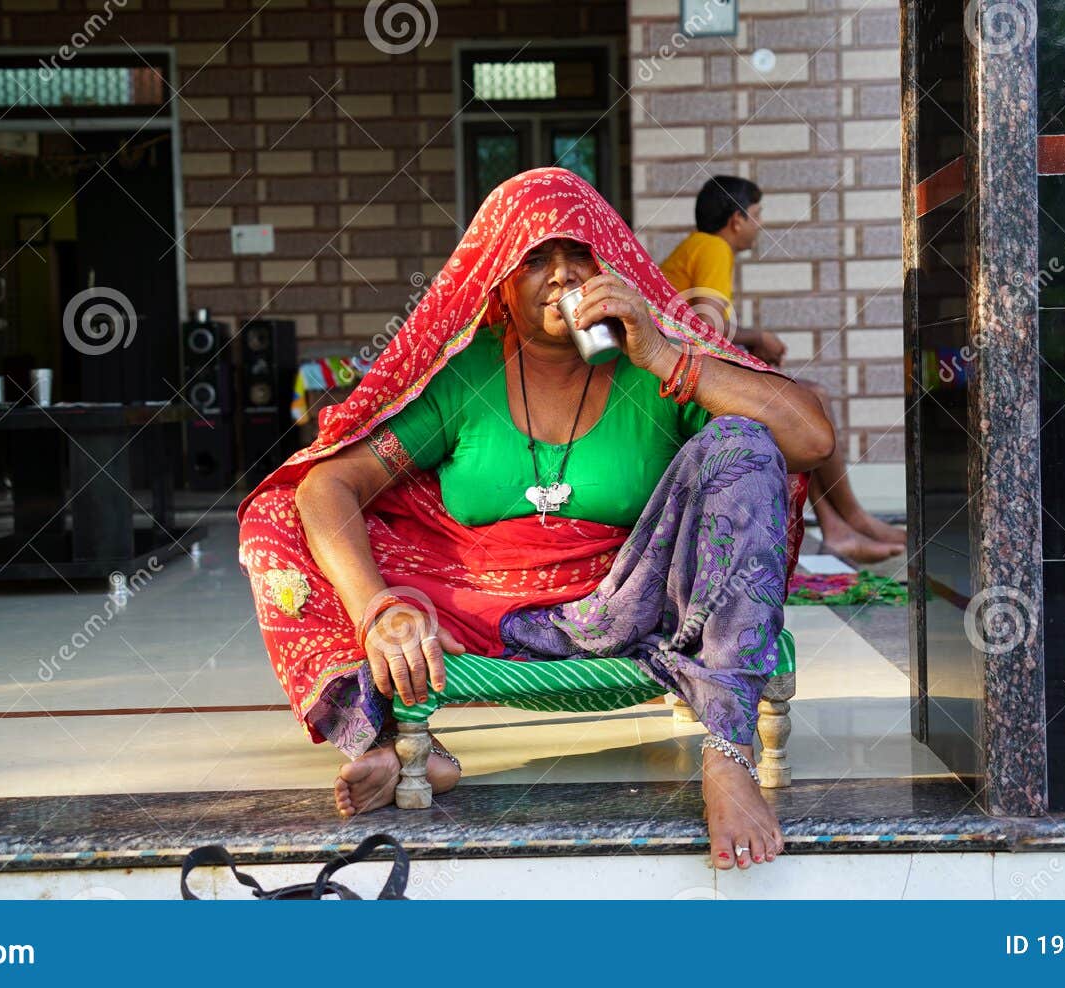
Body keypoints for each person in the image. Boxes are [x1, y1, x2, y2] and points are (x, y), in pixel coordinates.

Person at [238, 167, 833, 870]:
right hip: (476, 607)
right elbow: (330, 485)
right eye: (533, 258)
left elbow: (811, 440)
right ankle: (377, 739)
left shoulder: (655, 362)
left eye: (576, 254)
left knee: (744, 443)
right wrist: (376, 608)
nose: (559, 276)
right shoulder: (466, 375)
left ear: (609, 262)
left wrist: (667, 355)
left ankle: (728, 754)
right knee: (278, 514)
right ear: (497, 277)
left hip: (633, 604)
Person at [660, 176, 906, 562]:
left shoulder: (698, 247)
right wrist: (761, 338)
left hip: (688, 375)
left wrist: (755, 343)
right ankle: (850, 519)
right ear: (736, 220)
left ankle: (840, 527)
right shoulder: (712, 248)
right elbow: (707, 330)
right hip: (684, 387)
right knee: (813, 399)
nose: (761, 226)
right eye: (756, 216)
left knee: (807, 402)